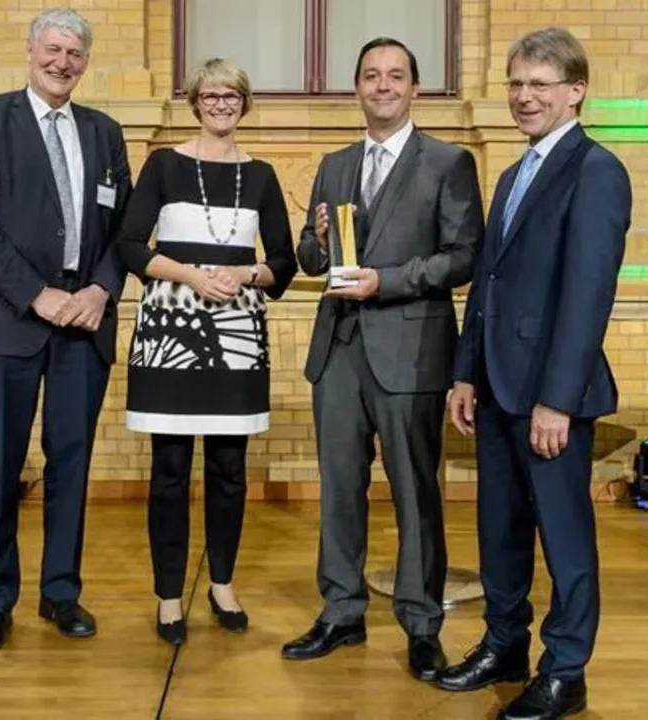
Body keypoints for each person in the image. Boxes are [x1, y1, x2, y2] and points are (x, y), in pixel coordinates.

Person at [435, 27, 632, 719]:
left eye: (540, 85)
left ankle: (566, 671)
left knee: (564, 535)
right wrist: (465, 372)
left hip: (550, 395)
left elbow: (587, 295)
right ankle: (505, 645)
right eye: (516, 83)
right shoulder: (514, 173)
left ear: (576, 91)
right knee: (501, 528)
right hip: (494, 384)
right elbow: (487, 284)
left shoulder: (596, 170)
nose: (524, 96)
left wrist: (558, 399)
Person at [280, 37, 483, 681]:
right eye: (371, 75)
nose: (383, 85)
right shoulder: (335, 164)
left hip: (411, 351)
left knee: (415, 493)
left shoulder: (448, 162)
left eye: (396, 76)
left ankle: (422, 625)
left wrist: (385, 282)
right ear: (358, 88)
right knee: (340, 489)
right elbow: (311, 258)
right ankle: (342, 611)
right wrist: (315, 242)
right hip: (339, 351)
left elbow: (464, 256)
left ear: (415, 89)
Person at [0, 7, 133, 654]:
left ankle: (60, 592)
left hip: (84, 324)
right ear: (30, 52)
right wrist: (38, 295)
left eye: (74, 54)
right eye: (52, 50)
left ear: (86, 62)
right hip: (7, 325)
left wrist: (100, 289)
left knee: (71, 464)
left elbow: (125, 229)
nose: (62, 62)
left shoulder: (104, 132)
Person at [116, 58, 297, 646]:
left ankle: (222, 584)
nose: (221, 104)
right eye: (211, 95)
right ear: (195, 102)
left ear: (244, 103)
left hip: (237, 335)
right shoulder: (163, 164)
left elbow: (285, 262)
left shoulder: (262, 175)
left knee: (229, 470)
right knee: (169, 471)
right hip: (169, 331)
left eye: (231, 95)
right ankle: (169, 596)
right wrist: (193, 276)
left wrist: (246, 274)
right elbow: (128, 245)